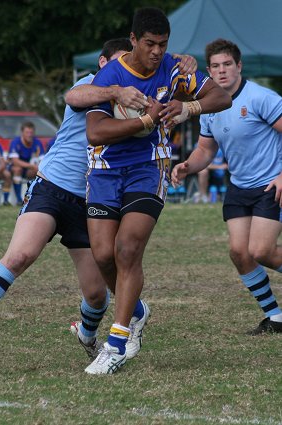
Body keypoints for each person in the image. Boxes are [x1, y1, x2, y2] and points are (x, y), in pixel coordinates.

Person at [0, 38, 197, 362]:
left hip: (94, 198)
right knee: (19, 256)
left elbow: (171, 81)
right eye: (115, 63)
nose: (122, 71)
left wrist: (184, 61)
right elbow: (72, 96)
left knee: (97, 295)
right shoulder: (94, 85)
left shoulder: (139, 85)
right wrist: (114, 92)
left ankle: (89, 333)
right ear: (102, 64)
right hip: (53, 187)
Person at [79, 7, 231, 375]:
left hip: (149, 166)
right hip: (104, 171)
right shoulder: (111, 75)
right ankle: (137, 310)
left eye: (163, 45)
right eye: (150, 44)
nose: (157, 52)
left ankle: (116, 343)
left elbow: (220, 97)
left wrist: (188, 106)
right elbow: (95, 133)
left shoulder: (175, 68)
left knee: (127, 249)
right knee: (102, 256)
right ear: (133, 40)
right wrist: (146, 119)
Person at [171, 38, 282, 335]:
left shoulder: (261, 98)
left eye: (227, 65)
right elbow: (206, 151)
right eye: (216, 66)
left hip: (270, 185)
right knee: (239, 253)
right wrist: (187, 166)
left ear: (239, 66)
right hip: (239, 187)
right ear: (209, 70)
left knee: (261, 250)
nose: (222, 71)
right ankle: (275, 317)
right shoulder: (211, 106)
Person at [9, 121, 45, 205]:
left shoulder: (37, 142)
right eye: (27, 132)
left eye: (31, 132)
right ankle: (18, 199)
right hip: (14, 168)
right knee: (17, 169)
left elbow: (42, 159)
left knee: (39, 173)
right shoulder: (16, 142)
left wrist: (37, 167)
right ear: (22, 133)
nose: (29, 135)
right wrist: (32, 166)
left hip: (29, 169)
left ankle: (28, 199)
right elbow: (15, 161)